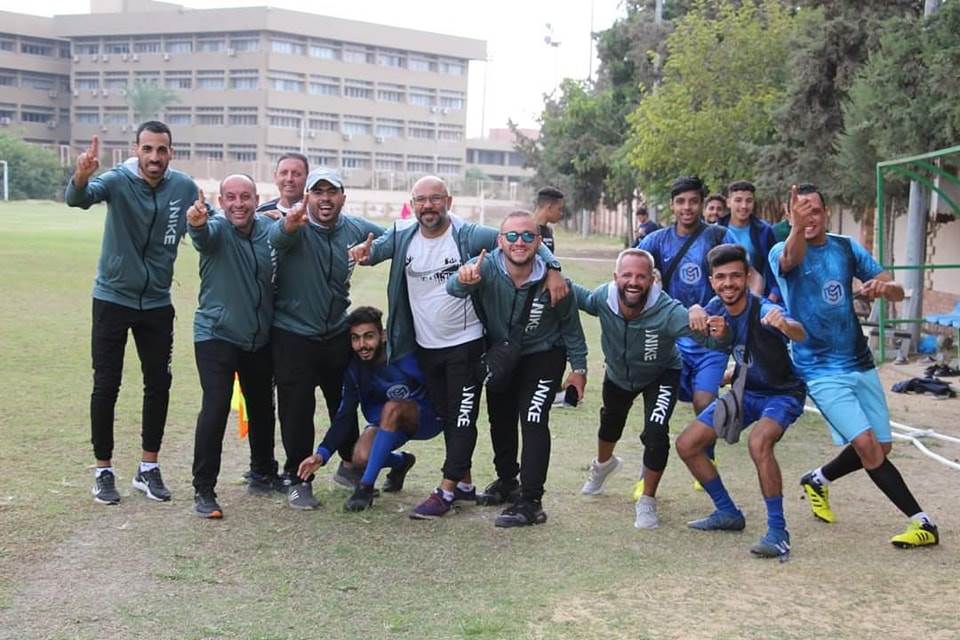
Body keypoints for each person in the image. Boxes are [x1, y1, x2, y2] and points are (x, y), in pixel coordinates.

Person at [349, 176, 568, 519]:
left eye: (435, 198)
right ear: (413, 204)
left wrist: (553, 267)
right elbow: (375, 251)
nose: (428, 206)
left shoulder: (468, 234)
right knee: (450, 418)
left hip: (466, 344)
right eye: (421, 200)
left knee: (464, 417)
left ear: (448, 202)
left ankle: (446, 490)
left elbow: (518, 237)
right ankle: (464, 485)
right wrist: (364, 253)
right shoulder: (404, 234)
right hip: (426, 346)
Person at [770, 184, 939, 548]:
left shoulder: (845, 247)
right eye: (800, 212)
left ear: (826, 213)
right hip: (819, 369)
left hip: (860, 361)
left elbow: (895, 288)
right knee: (867, 446)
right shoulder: (780, 250)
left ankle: (818, 479)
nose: (808, 218)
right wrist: (796, 227)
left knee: (880, 447)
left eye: (814, 211)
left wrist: (886, 289)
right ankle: (922, 522)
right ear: (789, 216)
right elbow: (790, 260)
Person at [66, 122, 198, 505]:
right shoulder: (117, 180)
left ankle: (148, 468)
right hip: (112, 298)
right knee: (106, 384)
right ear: (136, 149)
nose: (154, 157)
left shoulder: (184, 187)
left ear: (171, 152)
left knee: (159, 384)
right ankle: (103, 471)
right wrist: (81, 175)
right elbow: (78, 198)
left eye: (162, 149)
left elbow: (203, 226)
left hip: (157, 303)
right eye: (148, 149)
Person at [447, 210, 588, 527]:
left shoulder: (554, 281)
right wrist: (463, 278)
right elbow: (453, 289)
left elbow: (571, 328)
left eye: (527, 236)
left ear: (539, 242)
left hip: (544, 356)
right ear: (500, 240)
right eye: (511, 235)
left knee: (534, 419)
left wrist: (579, 369)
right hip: (501, 355)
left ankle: (531, 501)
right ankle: (508, 481)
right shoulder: (485, 268)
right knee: (501, 418)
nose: (519, 242)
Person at [574, 248, 729, 528]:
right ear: (615, 277)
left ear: (652, 280)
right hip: (619, 375)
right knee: (610, 424)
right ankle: (603, 466)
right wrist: (551, 274)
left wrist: (714, 327)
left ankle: (647, 500)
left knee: (656, 432)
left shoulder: (669, 312)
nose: (633, 282)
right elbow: (578, 297)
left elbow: (712, 341)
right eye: (627, 275)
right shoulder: (603, 298)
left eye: (641, 276)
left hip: (662, 374)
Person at [676, 244, 807, 558]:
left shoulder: (763, 310)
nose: (728, 283)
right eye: (721, 277)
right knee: (687, 445)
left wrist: (784, 324)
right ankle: (727, 512)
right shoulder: (715, 307)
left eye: (735, 276)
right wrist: (695, 310)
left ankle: (778, 532)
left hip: (782, 394)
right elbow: (707, 327)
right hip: (745, 392)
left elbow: (800, 332)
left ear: (748, 277)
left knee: (759, 442)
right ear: (711, 281)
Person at [268, 168, 385, 509]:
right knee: (297, 410)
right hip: (293, 334)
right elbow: (278, 237)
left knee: (344, 403)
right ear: (307, 197)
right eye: (317, 192)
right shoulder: (296, 224)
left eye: (331, 192)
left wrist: (373, 250)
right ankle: (298, 479)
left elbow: (395, 238)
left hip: (335, 333)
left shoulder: (354, 227)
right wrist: (288, 224)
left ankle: (350, 466)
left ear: (342, 197)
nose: (325, 199)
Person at [186, 175, 277, 518]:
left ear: (257, 199)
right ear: (221, 202)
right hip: (216, 333)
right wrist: (196, 223)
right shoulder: (217, 229)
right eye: (231, 197)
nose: (238, 204)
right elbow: (202, 236)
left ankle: (263, 472)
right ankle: (204, 488)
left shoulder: (268, 230)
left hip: (258, 336)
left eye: (245, 197)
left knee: (261, 405)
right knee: (217, 405)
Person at [637, 176, 736, 491]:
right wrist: (651, 286)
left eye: (693, 201)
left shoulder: (719, 236)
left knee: (704, 400)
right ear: (672, 205)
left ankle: (707, 457)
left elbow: (739, 275)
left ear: (702, 204)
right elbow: (634, 268)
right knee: (658, 408)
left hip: (711, 339)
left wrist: (715, 310)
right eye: (680, 201)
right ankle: (645, 475)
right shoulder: (657, 241)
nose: (687, 207)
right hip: (672, 340)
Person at [297, 306, 442, 512]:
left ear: (382, 335)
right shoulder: (354, 370)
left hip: (426, 419)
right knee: (360, 457)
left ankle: (365, 488)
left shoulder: (403, 356)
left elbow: (438, 385)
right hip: (387, 423)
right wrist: (321, 454)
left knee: (392, 407)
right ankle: (402, 462)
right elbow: (345, 415)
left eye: (369, 336)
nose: (362, 345)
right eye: (355, 338)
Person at [717, 180, 779, 301]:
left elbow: (773, 266)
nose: (744, 206)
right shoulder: (716, 231)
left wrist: (774, 294)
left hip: (758, 296)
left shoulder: (764, 231)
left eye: (749, 201)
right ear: (728, 202)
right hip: (723, 297)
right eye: (738, 200)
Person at [256, 152, 308, 220]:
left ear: (307, 178)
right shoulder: (261, 213)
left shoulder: (314, 213)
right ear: (275, 177)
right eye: (284, 173)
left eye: (296, 174)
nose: (289, 179)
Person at [533, 186, 564, 252]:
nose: (561, 214)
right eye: (559, 209)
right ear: (549, 207)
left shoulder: (549, 231)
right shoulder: (527, 230)